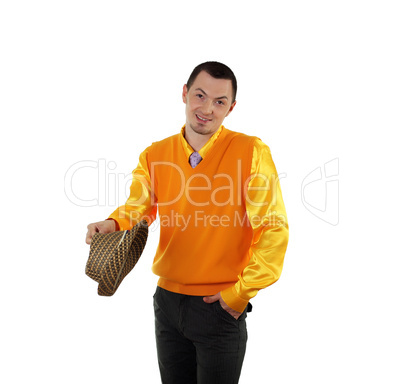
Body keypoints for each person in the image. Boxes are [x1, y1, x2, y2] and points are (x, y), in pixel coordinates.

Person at [86, 61, 289, 384]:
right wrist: (113, 224)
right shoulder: (155, 154)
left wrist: (239, 295)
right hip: (166, 303)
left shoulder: (250, 150)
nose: (207, 108)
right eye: (200, 95)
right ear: (184, 94)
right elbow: (139, 206)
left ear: (231, 108)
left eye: (220, 101)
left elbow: (273, 227)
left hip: (219, 307)